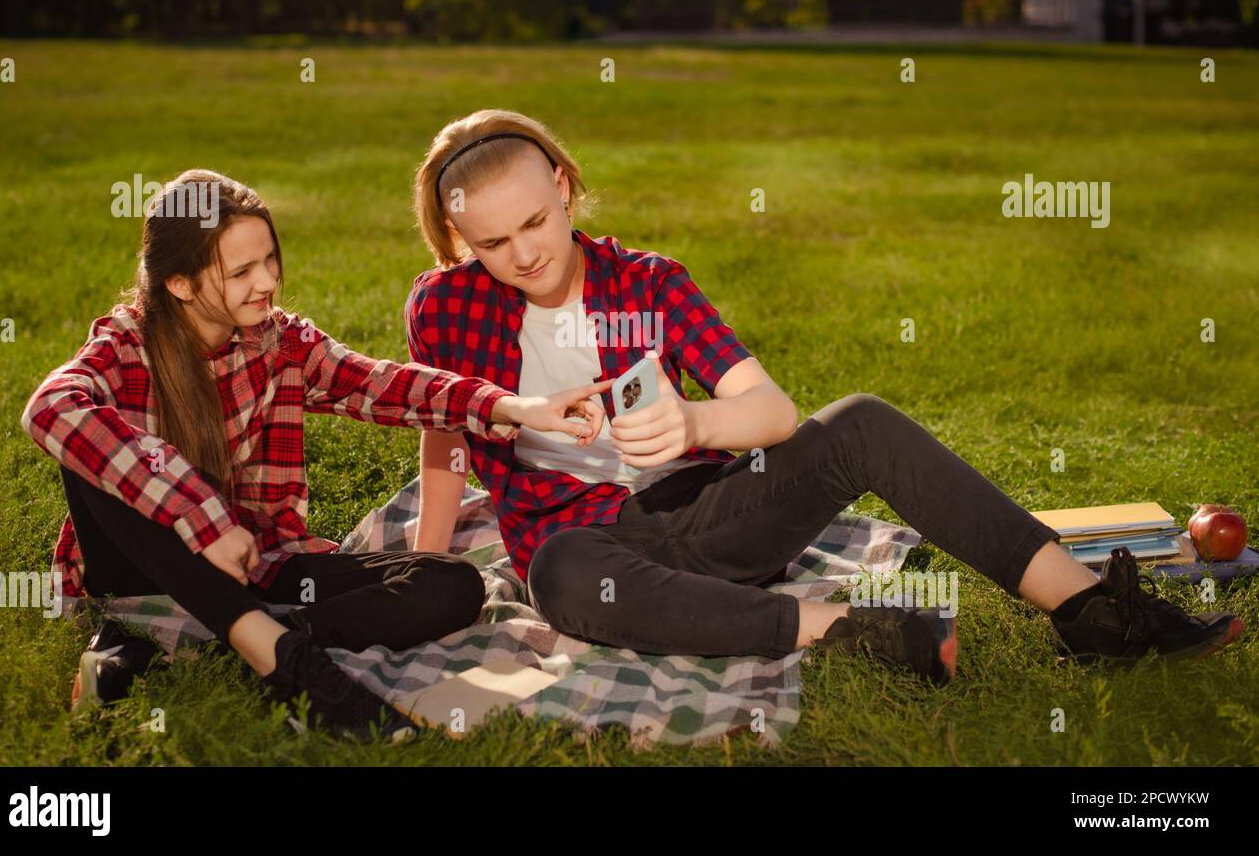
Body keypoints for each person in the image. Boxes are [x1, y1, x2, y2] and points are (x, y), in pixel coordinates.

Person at [404, 109, 1244, 683]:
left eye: (535, 223)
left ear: (562, 184)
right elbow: (444, 431)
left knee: (863, 422)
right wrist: (431, 556)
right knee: (562, 573)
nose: (522, 254)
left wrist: (694, 419)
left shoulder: (647, 282)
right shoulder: (444, 307)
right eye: (491, 242)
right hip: (581, 548)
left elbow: (770, 412)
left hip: (710, 521)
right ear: (458, 240)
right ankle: (853, 632)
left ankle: (1093, 613)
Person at [21, 168, 611, 738]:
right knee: (92, 450)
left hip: (258, 565)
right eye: (241, 271)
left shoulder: (277, 342)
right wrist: (198, 515)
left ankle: (254, 646)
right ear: (179, 284)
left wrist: (515, 408)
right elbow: (49, 408)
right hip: (140, 567)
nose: (266, 282)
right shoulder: (127, 345)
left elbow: (385, 386)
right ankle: (273, 653)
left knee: (452, 583)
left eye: (270, 259)